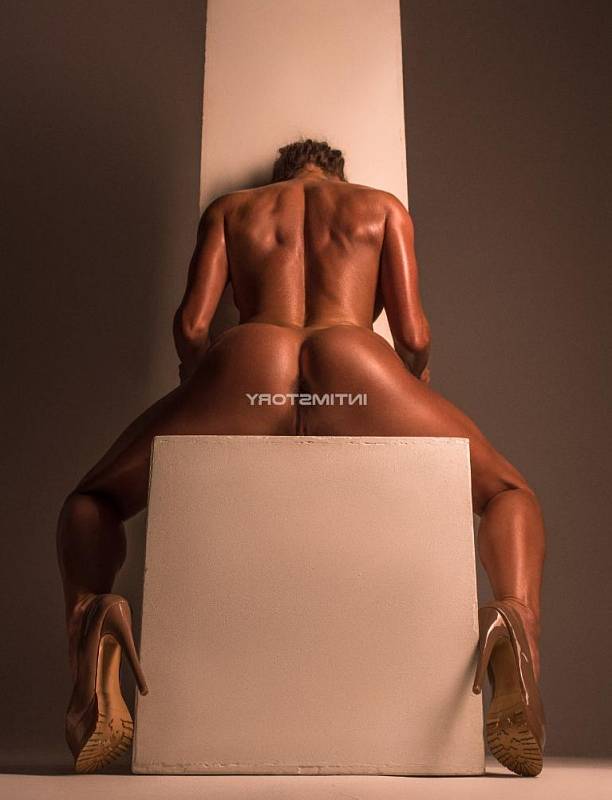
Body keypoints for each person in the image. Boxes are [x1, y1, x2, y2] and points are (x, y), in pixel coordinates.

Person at [56, 138, 546, 775]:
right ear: (336, 173)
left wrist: (200, 384)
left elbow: (193, 326)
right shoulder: (382, 207)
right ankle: (515, 619)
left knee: (93, 498)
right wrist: (409, 385)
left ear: (280, 174)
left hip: (249, 363)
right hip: (356, 364)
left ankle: (93, 616)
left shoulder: (231, 209)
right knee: (507, 491)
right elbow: (414, 334)